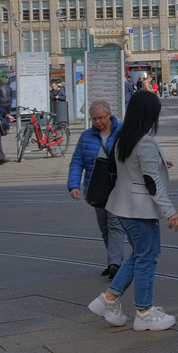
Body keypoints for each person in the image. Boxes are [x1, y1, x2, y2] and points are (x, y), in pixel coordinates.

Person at [87, 89, 178, 332]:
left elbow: (133, 169)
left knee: (140, 254)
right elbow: (151, 181)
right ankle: (145, 311)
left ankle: (108, 299)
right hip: (140, 209)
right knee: (147, 257)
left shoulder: (124, 137)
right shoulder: (145, 140)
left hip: (122, 206)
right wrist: (169, 210)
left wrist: (160, 162)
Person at [68, 100, 128, 278]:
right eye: (94, 119)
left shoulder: (124, 131)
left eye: (101, 117)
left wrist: (158, 161)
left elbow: (140, 151)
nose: (97, 122)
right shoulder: (86, 136)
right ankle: (114, 259)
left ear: (109, 114)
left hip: (119, 186)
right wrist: (73, 185)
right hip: (97, 187)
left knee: (114, 224)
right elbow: (77, 161)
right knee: (104, 227)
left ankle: (115, 264)